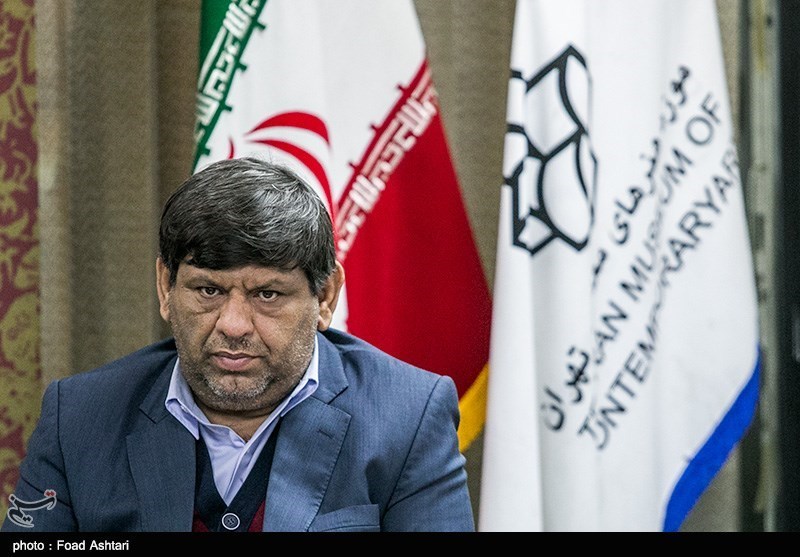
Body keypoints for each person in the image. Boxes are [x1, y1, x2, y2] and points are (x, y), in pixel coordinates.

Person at [2, 157, 475, 532]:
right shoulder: (79, 417)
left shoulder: (407, 417)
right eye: (208, 290)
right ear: (166, 287)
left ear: (325, 296)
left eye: (267, 295)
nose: (232, 325)